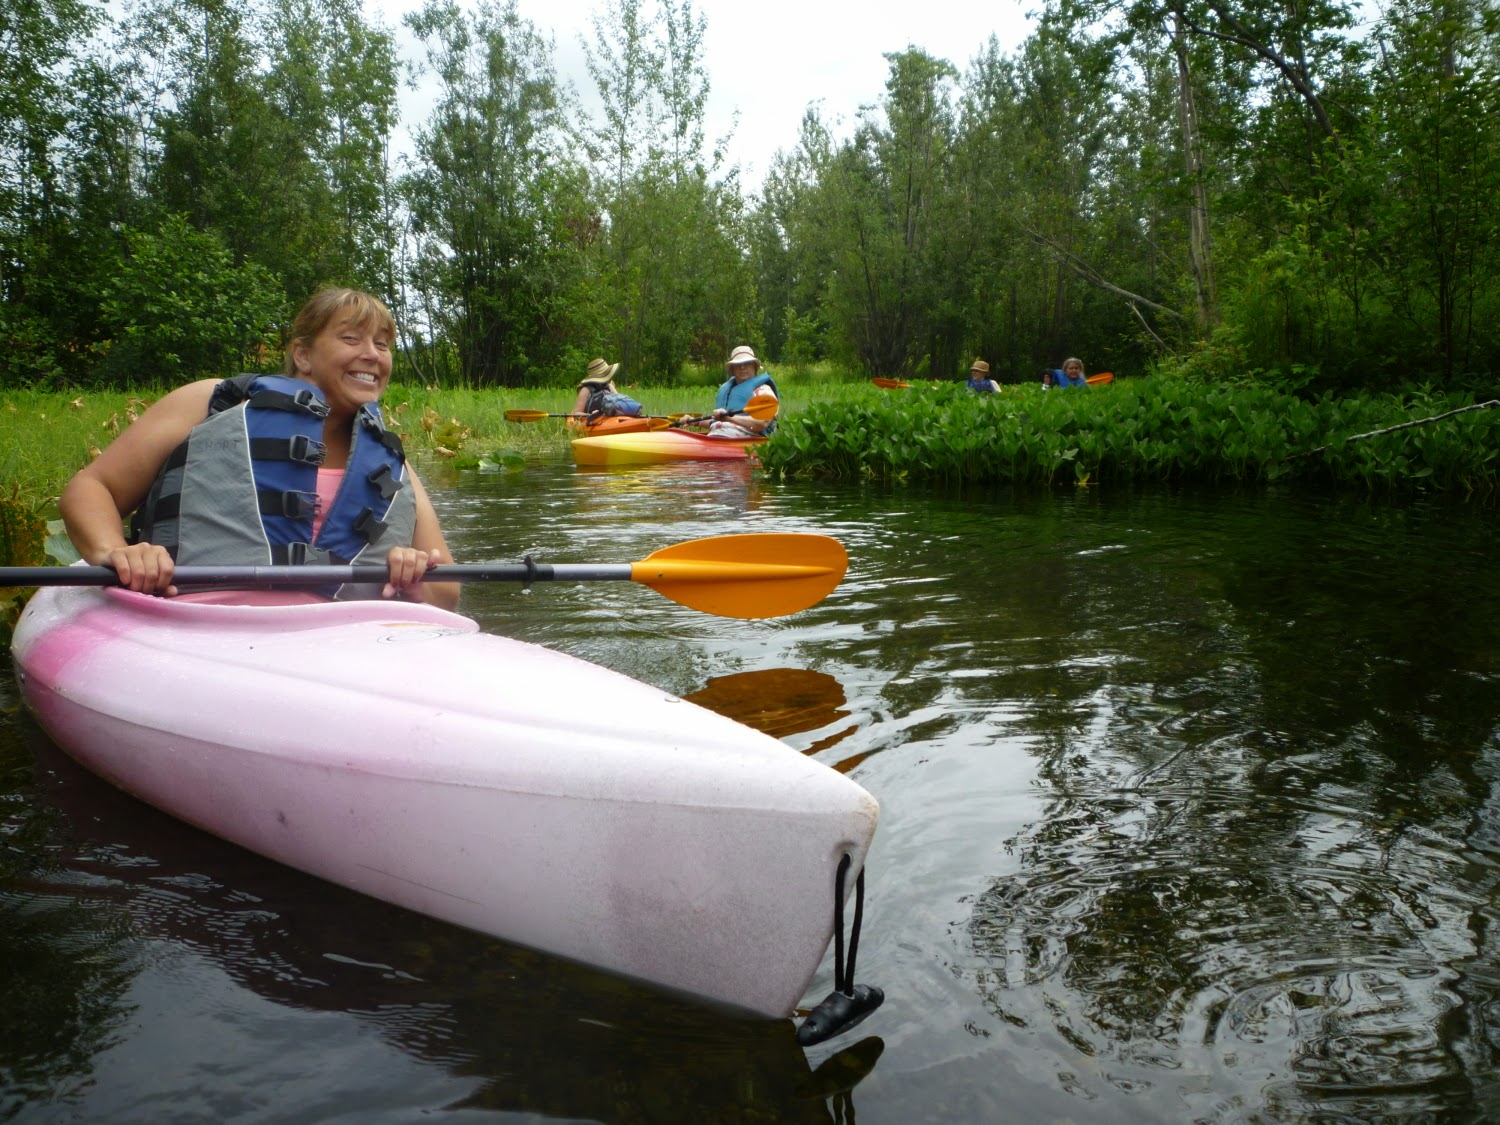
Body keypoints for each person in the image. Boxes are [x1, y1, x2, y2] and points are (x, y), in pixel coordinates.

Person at [59, 287, 460, 610]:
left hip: (342, 635)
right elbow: (92, 487)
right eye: (351, 338)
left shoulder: (390, 460)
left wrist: (414, 575)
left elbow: (448, 590)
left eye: (383, 344)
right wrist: (114, 550)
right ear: (303, 354)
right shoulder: (214, 404)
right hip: (198, 620)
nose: (372, 354)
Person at [701, 344, 778, 438]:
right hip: (718, 435)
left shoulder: (763, 390)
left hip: (747, 439)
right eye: (738, 365)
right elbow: (716, 422)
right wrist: (695, 421)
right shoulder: (728, 390)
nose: (742, 367)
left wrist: (730, 418)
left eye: (747, 363)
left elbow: (763, 423)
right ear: (732, 369)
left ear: (755, 367)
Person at [572, 358, 644, 426]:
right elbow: (577, 413)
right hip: (594, 421)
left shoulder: (609, 386)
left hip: (610, 419)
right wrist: (592, 415)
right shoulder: (586, 389)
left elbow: (619, 403)